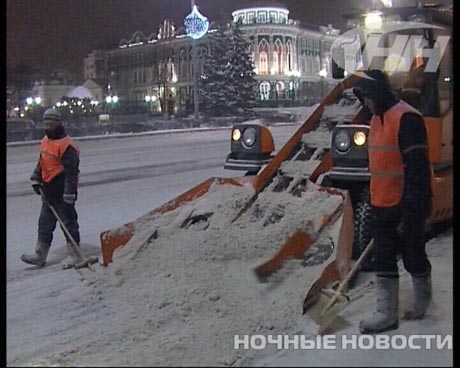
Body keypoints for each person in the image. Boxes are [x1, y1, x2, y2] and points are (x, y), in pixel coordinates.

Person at [352, 69, 434, 334]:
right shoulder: (376, 119)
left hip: (408, 202)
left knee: (413, 253)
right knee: (383, 257)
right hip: (382, 201)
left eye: (366, 97)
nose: (365, 103)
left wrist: (411, 207)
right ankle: (386, 313)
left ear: (377, 93)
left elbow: (417, 168)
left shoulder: (407, 118)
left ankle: (422, 299)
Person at [21, 108, 81, 269]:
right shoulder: (46, 141)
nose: (48, 126)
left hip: (62, 191)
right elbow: (42, 162)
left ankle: (75, 254)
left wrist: (69, 194)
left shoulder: (67, 146)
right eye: (46, 123)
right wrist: (36, 177)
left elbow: (71, 172)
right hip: (48, 191)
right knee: (44, 224)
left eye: (51, 123)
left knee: (68, 223)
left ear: (58, 123)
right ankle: (40, 254)